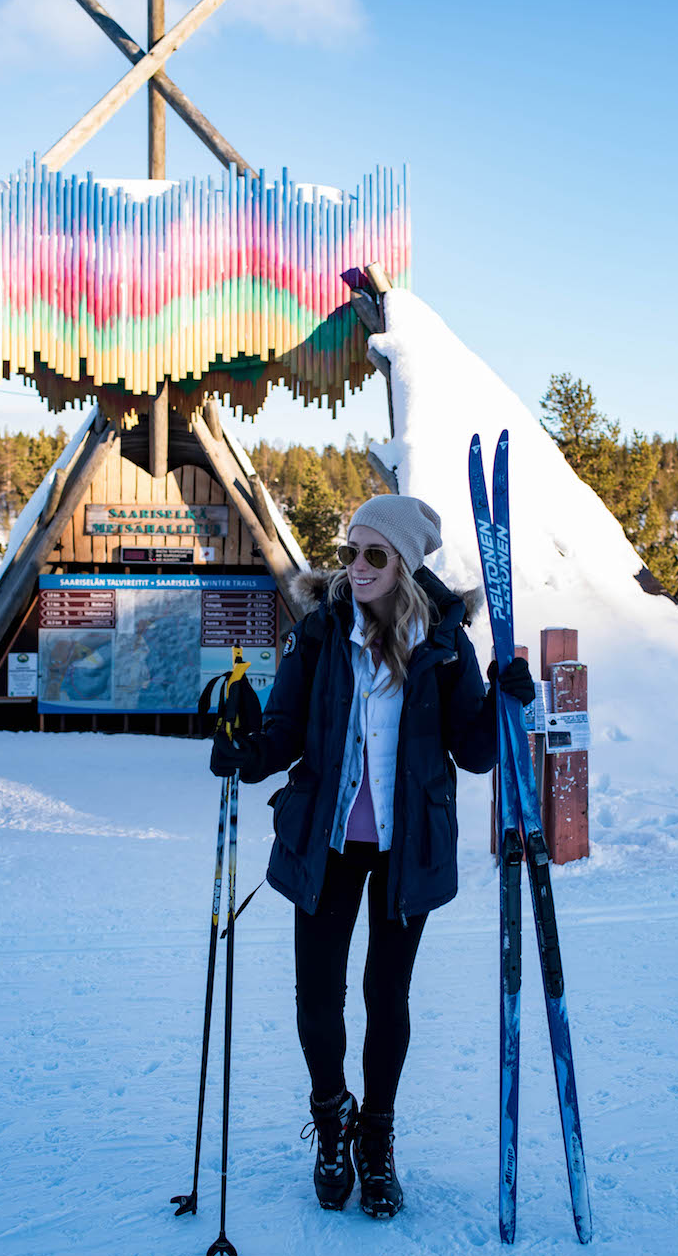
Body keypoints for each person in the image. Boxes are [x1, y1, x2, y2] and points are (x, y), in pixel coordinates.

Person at [210, 494, 534, 1219]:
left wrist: (505, 705)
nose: (355, 566)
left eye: (373, 555)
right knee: (317, 998)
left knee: (386, 997)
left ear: (405, 566)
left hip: (405, 847)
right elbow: (286, 730)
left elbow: (475, 752)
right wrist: (244, 751)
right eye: (351, 550)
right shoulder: (320, 632)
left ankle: (377, 1140)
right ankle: (333, 1120)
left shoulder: (446, 646)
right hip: (323, 840)